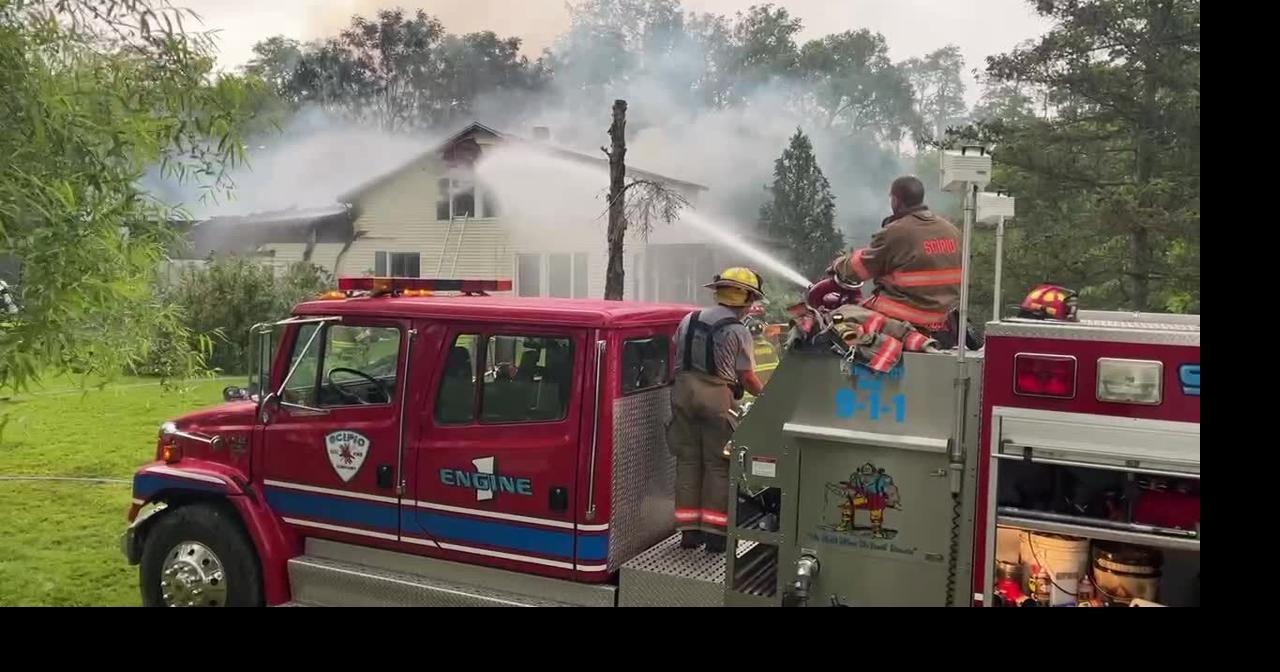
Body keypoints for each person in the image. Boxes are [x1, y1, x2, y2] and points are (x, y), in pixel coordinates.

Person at [667, 267, 766, 554]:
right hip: (714, 397)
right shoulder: (738, 330)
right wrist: (769, 398)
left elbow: (680, 352)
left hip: (681, 394)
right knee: (717, 466)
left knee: (687, 462)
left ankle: (688, 534)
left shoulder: (689, 319)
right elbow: (746, 376)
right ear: (745, 297)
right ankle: (714, 537)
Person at [831, 176, 962, 338]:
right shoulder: (952, 231)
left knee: (837, 319)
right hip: (943, 320)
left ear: (896, 200)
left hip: (904, 318)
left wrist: (839, 264)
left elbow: (858, 270)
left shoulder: (896, 232)